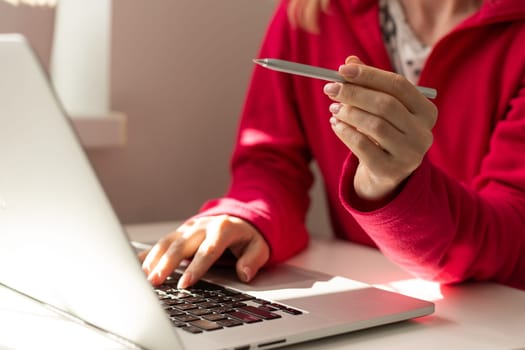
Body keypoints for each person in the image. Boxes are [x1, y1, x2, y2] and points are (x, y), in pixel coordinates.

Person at [141, 0, 525, 291]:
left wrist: (391, 188)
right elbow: (270, 162)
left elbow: (511, 233)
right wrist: (247, 216)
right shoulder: (312, 11)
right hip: (370, 301)